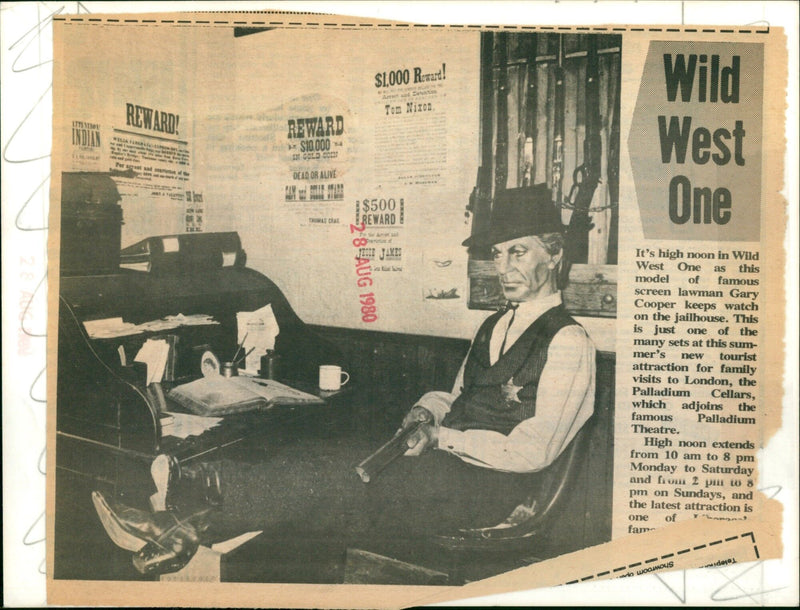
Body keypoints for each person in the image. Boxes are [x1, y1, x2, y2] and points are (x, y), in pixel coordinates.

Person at [93, 184, 596, 579]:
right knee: (330, 459)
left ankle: (180, 506)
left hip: (492, 488)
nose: (504, 267)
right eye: (499, 253)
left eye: (519, 253)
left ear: (554, 255)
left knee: (345, 476)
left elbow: (536, 451)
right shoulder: (496, 323)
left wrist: (443, 437)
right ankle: (181, 527)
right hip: (448, 463)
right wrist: (429, 409)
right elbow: (458, 396)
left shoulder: (569, 342)